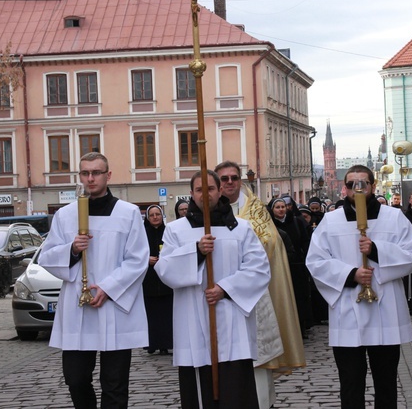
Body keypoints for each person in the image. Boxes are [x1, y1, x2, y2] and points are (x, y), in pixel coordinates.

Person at [39, 152, 149, 409]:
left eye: (96, 172)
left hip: (114, 306)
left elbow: (138, 259)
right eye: (85, 173)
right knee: (76, 379)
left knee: (115, 383)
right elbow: (47, 256)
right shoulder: (65, 215)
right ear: (80, 176)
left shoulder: (128, 213)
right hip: (78, 310)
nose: (91, 178)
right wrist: (72, 250)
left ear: (108, 175)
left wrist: (109, 289)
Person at [306, 165, 412, 408]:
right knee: (350, 383)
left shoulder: (394, 217)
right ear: (343, 188)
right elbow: (316, 261)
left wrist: (377, 251)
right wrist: (351, 275)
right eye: (351, 184)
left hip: (386, 308)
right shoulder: (330, 221)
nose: (357, 188)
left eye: (363, 183)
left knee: (387, 381)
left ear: (373, 185)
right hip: (348, 310)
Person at [155, 170, 270, 408]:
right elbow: (164, 270)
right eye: (199, 190)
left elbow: (259, 269)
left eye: (209, 189)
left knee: (235, 391)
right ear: (191, 194)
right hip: (193, 321)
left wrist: (225, 289)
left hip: (232, 320)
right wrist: (196, 252)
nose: (204, 195)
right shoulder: (176, 230)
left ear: (219, 191)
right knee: (200, 391)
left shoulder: (241, 228)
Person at [215, 161, 305, 409]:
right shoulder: (207, 212)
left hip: (253, 294)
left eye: (234, 177)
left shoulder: (256, 210)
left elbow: (272, 244)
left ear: (241, 181)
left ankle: (260, 403)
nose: (230, 182)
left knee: (256, 355)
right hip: (217, 295)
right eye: (224, 179)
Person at [269, 197, 313, 339]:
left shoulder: (297, 222)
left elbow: (305, 242)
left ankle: (300, 328)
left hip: (296, 266)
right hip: (278, 267)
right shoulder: (269, 225)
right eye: (278, 207)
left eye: (283, 207)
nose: (281, 210)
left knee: (299, 298)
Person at [142, 205, 173, 355]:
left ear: (162, 216)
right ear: (148, 218)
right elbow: (135, 253)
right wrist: (146, 260)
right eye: (152, 215)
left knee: (166, 314)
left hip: (165, 279)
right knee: (151, 315)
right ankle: (151, 344)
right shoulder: (142, 234)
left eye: (158, 214)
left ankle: (166, 344)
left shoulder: (168, 232)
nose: (155, 217)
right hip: (148, 279)